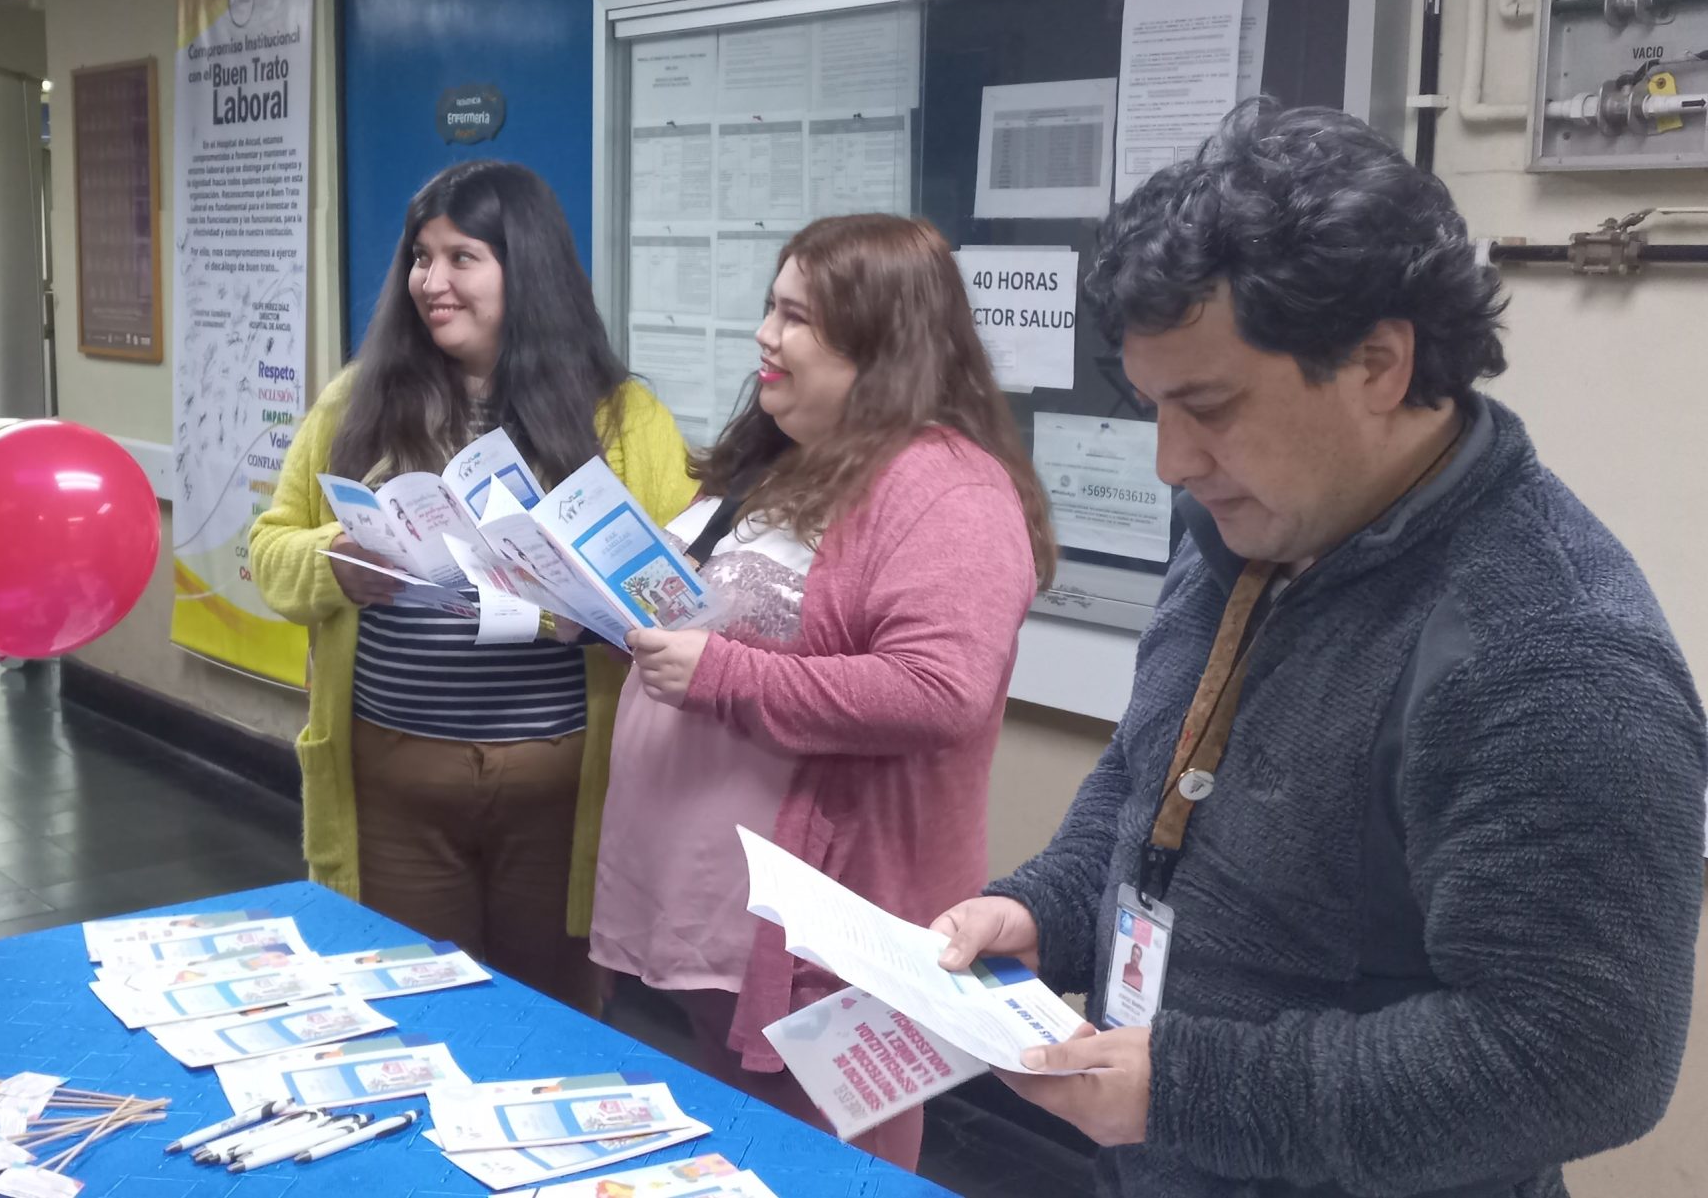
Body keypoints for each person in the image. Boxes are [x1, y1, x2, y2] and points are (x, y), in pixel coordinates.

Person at [931, 104, 1705, 1195]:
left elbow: (1580, 1058)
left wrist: (1192, 1087)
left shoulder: (1554, 651)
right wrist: (1047, 903)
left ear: (1379, 363)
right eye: (1150, 405)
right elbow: (1151, 773)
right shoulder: (1244, 525)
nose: (1168, 460)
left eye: (1207, 405)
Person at [589, 215, 1050, 1168]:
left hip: (821, 949)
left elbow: (939, 690)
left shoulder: (948, 488)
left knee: (825, 1167)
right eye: (771, 306)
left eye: (796, 317)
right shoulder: (780, 459)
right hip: (699, 922)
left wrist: (719, 672)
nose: (766, 334)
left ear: (881, 346)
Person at [250, 160, 694, 1009]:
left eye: (463, 258)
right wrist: (332, 562)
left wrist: (602, 607)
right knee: (408, 1013)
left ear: (522, 268)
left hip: (559, 790)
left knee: (550, 1020)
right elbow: (271, 548)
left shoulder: (623, 418)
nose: (432, 281)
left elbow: (681, 590)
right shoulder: (358, 402)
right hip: (392, 784)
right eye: (421, 257)